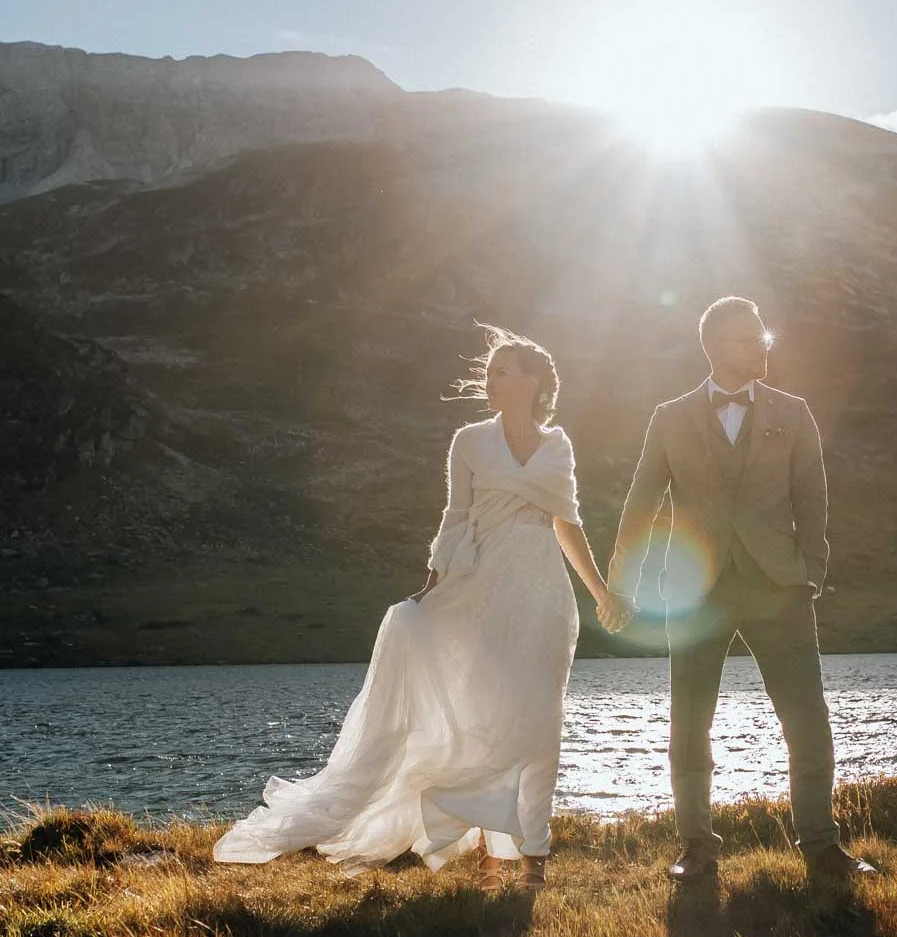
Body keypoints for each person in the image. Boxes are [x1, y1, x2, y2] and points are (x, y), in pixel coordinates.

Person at [213, 325, 628, 889]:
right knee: (489, 718)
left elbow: (568, 523)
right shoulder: (469, 440)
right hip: (482, 589)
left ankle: (535, 858)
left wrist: (601, 592)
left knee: (539, 723)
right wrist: (430, 587)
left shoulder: (558, 446)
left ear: (534, 381)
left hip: (545, 600)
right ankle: (492, 851)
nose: (491, 378)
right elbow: (455, 517)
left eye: (503, 370)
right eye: (490, 370)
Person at [602, 296, 876, 885]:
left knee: (805, 716)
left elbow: (814, 497)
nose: (762, 348)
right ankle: (696, 847)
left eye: (763, 339)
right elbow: (641, 502)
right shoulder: (669, 417)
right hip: (696, 591)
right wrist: (622, 580)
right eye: (750, 339)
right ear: (714, 347)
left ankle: (822, 847)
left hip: (780, 585)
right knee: (689, 718)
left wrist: (813, 570)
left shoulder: (794, 412)